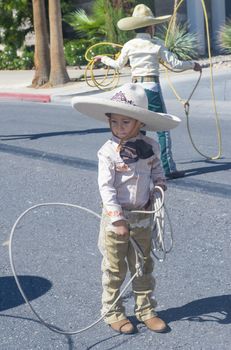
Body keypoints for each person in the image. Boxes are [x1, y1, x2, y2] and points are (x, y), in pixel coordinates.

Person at [72, 83, 181, 334]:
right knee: (114, 266)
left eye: (126, 122)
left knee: (143, 265)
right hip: (116, 218)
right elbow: (106, 187)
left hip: (143, 215)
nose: (119, 128)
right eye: (115, 122)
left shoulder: (151, 146)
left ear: (139, 123)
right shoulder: (107, 152)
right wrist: (117, 219)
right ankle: (113, 311)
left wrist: (159, 188)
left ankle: (145, 310)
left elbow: (157, 172)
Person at [94, 3, 202, 179]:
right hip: (151, 87)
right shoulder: (156, 44)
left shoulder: (129, 44)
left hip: (135, 89)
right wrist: (193, 65)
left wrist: (103, 59)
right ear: (151, 26)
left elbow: (118, 65)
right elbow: (175, 65)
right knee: (162, 128)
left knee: (136, 128)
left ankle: (132, 164)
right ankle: (168, 168)